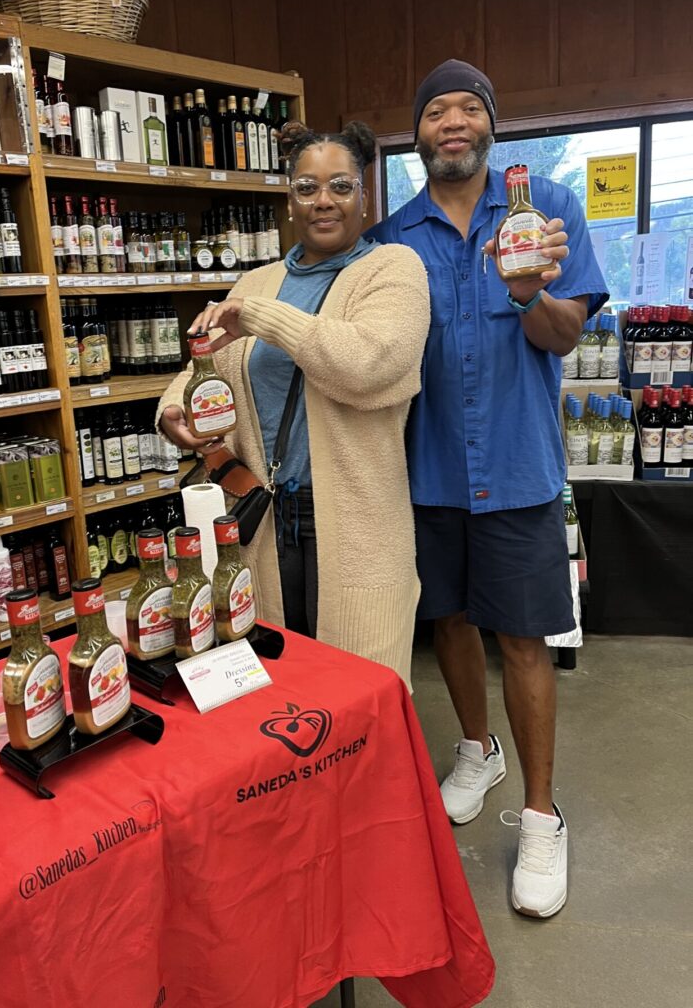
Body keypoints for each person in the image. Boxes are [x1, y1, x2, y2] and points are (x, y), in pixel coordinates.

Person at [371, 59, 608, 918]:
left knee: (523, 641)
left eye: (471, 107)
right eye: (437, 111)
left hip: (515, 467)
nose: (454, 123)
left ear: (493, 123)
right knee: (452, 621)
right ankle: (478, 747)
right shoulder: (394, 235)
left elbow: (565, 335)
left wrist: (524, 296)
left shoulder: (546, 211)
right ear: (419, 133)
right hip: (428, 465)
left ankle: (543, 817)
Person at [157, 121, 429, 687]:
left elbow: (370, 363)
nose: (323, 201)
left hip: (358, 523)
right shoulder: (253, 283)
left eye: (340, 186)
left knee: (362, 687)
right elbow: (206, 369)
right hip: (261, 517)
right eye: (307, 188)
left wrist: (261, 319)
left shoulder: (394, 269)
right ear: (289, 199)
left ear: (364, 194)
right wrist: (173, 406)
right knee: (281, 687)